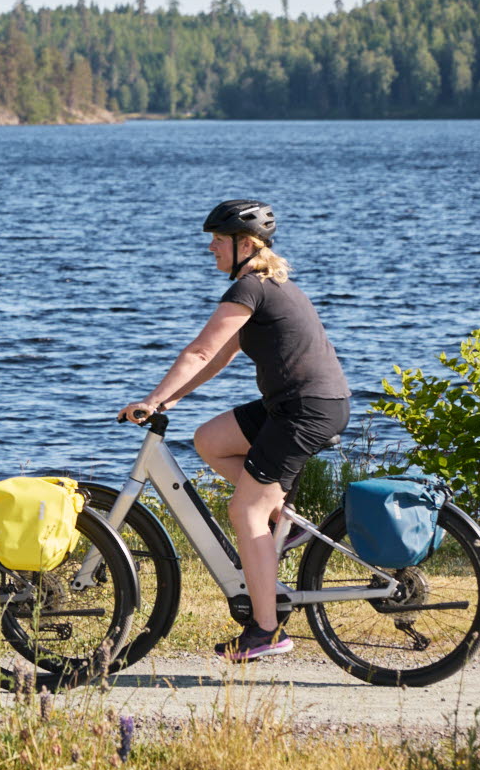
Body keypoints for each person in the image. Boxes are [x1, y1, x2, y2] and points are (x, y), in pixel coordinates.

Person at [120, 199, 350, 663]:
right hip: (298, 405)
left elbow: (201, 351)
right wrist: (169, 399)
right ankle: (281, 521)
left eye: (217, 241)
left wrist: (150, 399)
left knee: (243, 509)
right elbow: (221, 357)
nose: (210, 248)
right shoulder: (265, 284)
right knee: (210, 440)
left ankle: (266, 631)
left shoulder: (251, 287)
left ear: (245, 245)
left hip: (304, 411)